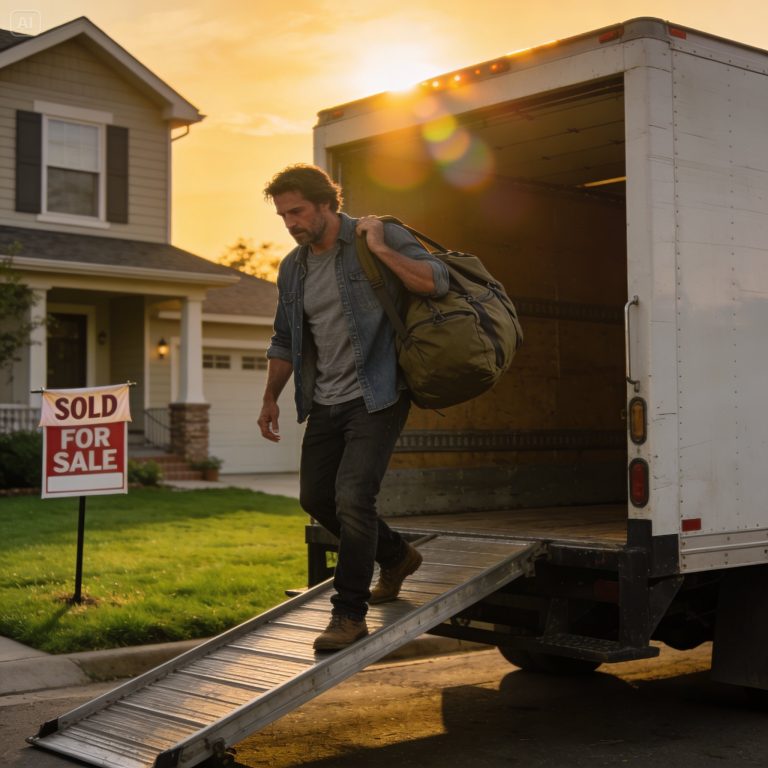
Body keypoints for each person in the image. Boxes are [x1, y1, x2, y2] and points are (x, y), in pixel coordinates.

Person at [258, 164, 449, 652]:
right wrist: (269, 399)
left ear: (327, 203)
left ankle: (348, 614)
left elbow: (435, 281)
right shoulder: (292, 266)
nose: (290, 223)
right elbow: (285, 337)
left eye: (297, 211)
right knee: (316, 498)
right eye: (283, 215)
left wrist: (384, 249)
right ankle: (397, 555)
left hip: (379, 393)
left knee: (353, 498)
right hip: (324, 398)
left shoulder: (375, 236)